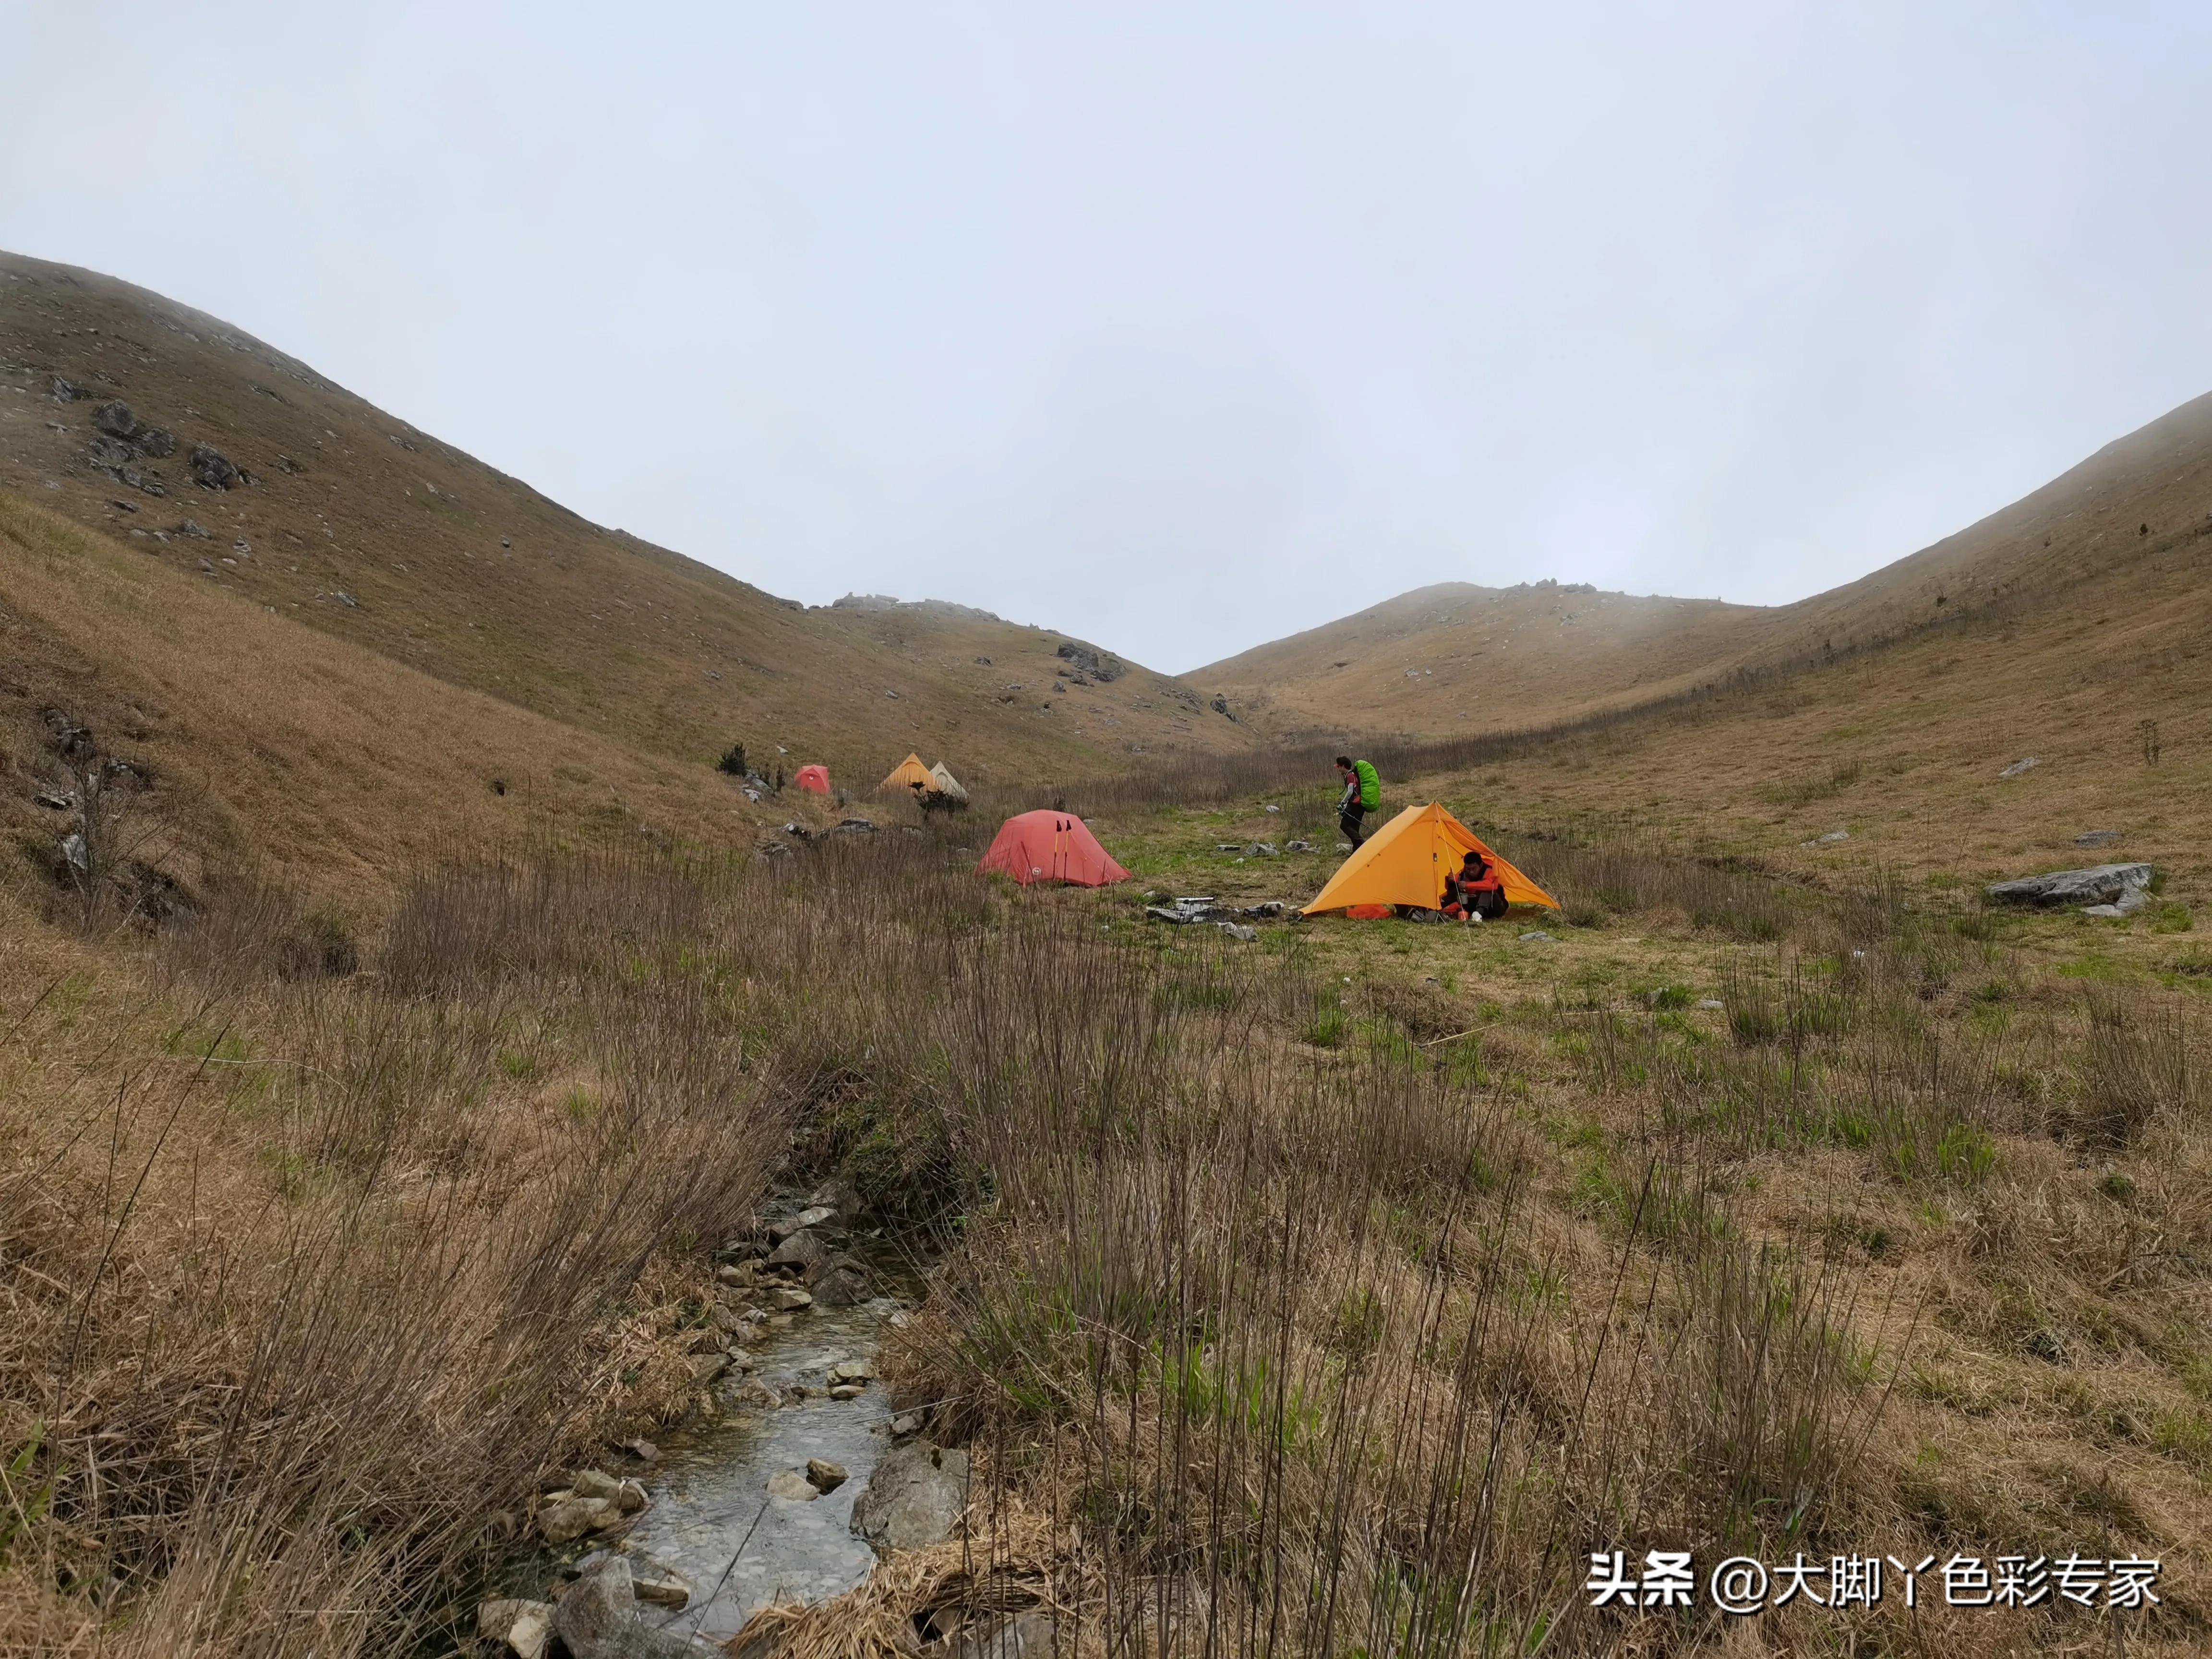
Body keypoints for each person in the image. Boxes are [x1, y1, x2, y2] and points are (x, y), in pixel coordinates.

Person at [1442, 848, 1508, 923]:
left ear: (1481, 865)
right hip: (1475, 906)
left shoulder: (1490, 869)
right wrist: (1450, 881)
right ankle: (1436, 909)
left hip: (1496, 907)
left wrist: (1468, 885)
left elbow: (1492, 885)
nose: (1471, 872)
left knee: (1487, 891)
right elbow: (1452, 888)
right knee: (1456, 891)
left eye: (1474, 868)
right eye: (1468, 869)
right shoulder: (1464, 873)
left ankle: (1478, 914)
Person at [1334, 755, 1380, 850]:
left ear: (1343, 766)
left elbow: (1351, 791)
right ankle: (1357, 850)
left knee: (1344, 825)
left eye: (1339, 767)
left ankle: (1361, 843)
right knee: (1355, 828)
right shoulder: (1352, 775)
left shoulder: (1350, 776)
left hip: (1356, 805)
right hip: (1360, 805)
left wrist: (1342, 803)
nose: (1338, 769)